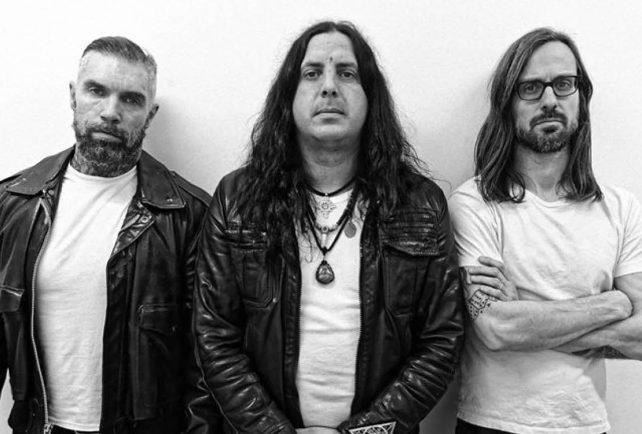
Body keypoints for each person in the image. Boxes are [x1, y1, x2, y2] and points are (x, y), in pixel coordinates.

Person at [194, 20, 464, 434]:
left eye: (347, 73)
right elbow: (214, 337)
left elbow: (442, 341)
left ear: (371, 97)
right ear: (289, 97)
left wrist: (363, 432)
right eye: (312, 73)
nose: (329, 87)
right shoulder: (237, 200)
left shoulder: (420, 204)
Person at [0, 36, 218, 434]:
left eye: (131, 99)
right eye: (97, 91)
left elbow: (206, 358)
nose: (111, 112)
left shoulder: (188, 215)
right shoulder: (14, 203)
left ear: (150, 114)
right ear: (73, 96)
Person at [450, 27, 642, 434]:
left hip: (586, 426)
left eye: (564, 84)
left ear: (581, 97)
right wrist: (611, 304)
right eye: (531, 88)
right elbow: (497, 328)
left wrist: (527, 316)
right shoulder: (475, 203)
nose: (550, 100)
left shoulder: (621, 208)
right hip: (493, 426)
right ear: (508, 103)